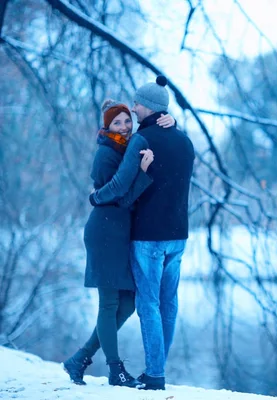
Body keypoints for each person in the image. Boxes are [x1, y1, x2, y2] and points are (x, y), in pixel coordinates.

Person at [90, 75, 195, 391]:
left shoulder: (141, 140)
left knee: (148, 303)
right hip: (179, 235)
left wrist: (96, 197)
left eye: (137, 104)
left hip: (148, 236)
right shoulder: (185, 141)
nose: (133, 109)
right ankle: (157, 371)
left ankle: (155, 375)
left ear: (149, 107)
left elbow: (121, 185)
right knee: (168, 303)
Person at [62, 100, 175, 387]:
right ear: (107, 126)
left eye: (127, 121)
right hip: (104, 233)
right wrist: (141, 173)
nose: (124, 127)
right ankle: (115, 369)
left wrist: (170, 121)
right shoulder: (105, 154)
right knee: (110, 303)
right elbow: (119, 198)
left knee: (127, 303)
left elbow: (124, 198)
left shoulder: (123, 150)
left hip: (118, 233)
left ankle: (80, 359)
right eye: (117, 123)